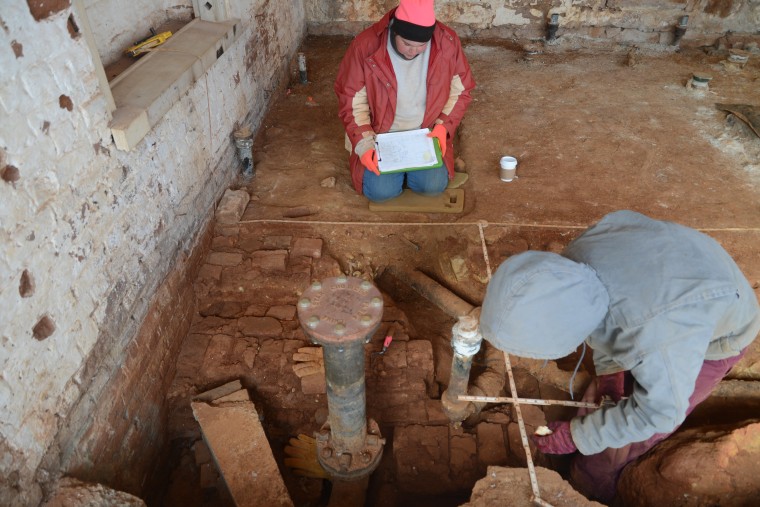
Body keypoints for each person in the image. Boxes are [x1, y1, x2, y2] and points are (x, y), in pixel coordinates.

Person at [479, 210, 760, 503]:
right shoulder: (573, 261)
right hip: (687, 269)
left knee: (634, 431)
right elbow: (603, 311)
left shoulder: (657, 336)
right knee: (605, 400)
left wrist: (579, 437)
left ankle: (592, 481)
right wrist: (609, 371)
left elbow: (660, 413)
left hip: (720, 329)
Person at [334, 0, 475, 202]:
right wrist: (364, 143)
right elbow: (351, 100)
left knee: (433, 187)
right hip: (381, 134)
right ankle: (394, 174)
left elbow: (462, 90)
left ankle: (409, 172)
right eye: (407, 43)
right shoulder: (365, 45)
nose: (413, 51)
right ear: (394, 31)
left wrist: (443, 127)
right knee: (381, 192)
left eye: (421, 46)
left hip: (425, 133)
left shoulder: (447, 42)